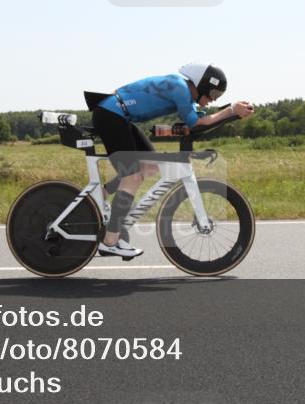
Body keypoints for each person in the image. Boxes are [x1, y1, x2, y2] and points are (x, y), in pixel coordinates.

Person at [92, 63, 254, 258]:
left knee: (149, 166)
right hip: (112, 115)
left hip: (119, 115)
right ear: (201, 84)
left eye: (217, 97)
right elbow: (196, 123)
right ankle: (110, 241)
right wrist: (230, 111)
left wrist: (231, 110)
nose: (212, 100)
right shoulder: (180, 87)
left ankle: (100, 194)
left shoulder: (182, 90)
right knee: (133, 177)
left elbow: (199, 120)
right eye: (212, 93)